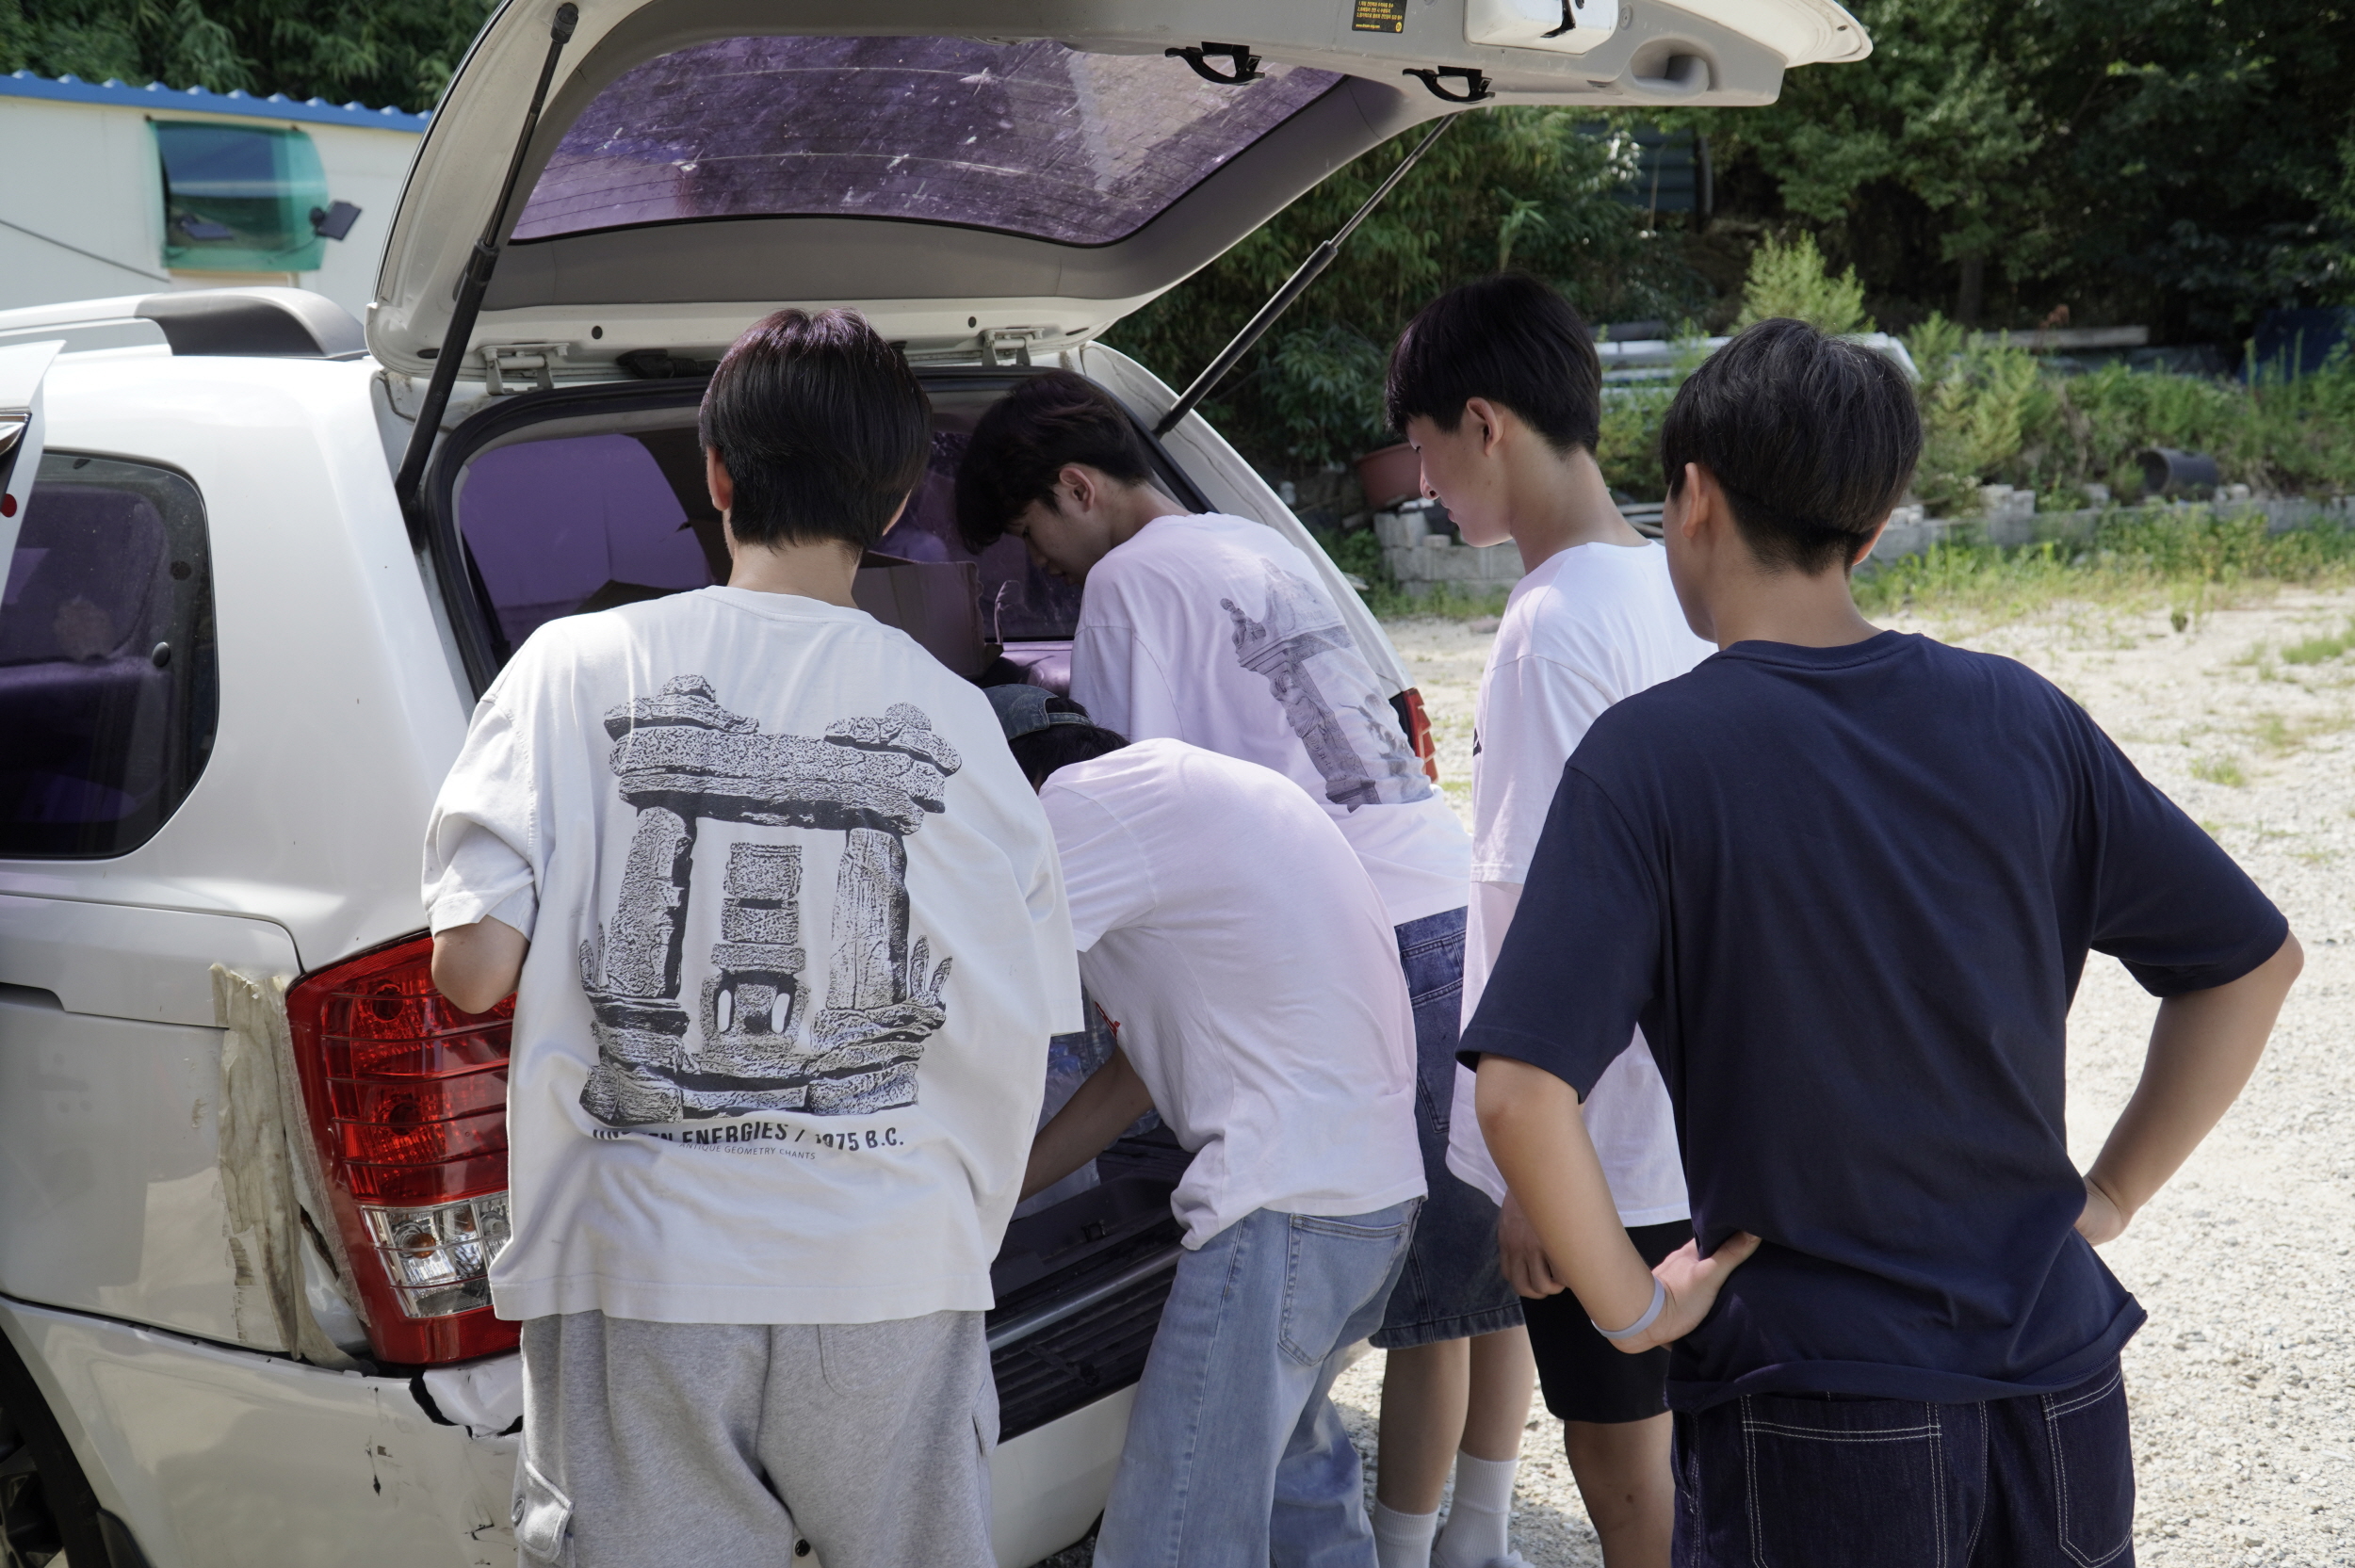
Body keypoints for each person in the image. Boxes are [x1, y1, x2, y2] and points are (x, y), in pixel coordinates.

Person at [1465, 317, 2303, 1563]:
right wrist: (2109, 1195)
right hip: (2060, 1379)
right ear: (1870, 529)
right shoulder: (2020, 715)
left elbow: (1521, 1093)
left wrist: (1634, 1309)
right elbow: (2252, 963)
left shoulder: (1650, 758)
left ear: (1694, 497)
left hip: (1816, 1399)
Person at [422, 309, 1081, 1568]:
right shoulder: (959, 722)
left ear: (716, 477)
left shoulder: (571, 668)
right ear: (897, 503)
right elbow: (1032, 1013)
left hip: (642, 1267)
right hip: (892, 1265)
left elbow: (473, 970)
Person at [957, 375, 1533, 1568]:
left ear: (1077, 487)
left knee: (1392, 1317)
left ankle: (1430, 1544)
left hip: (1355, 945)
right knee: (1443, 1300)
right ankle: (1463, 1537)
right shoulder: (1255, 541)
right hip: (1433, 904)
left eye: (1030, 533)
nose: (1043, 565)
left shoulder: (1125, 586)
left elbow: (1115, 826)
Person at [1387, 273, 1714, 1568]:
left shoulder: (1545, 630)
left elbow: (1550, 920)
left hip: (1603, 1142)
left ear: (1485, 423)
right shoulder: (1669, 584)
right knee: (1695, 1447)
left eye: (1426, 449)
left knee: (1622, 1467)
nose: (1425, 484)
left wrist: (1539, 1165)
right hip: (1691, 1114)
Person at [998, 687, 1426, 1568]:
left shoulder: (1073, 804)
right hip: (1365, 1205)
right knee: (1298, 1497)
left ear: (1010, 787)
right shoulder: (1186, 793)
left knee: (1175, 1535)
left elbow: (964, 985)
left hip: (1282, 1213)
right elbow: (1135, 1077)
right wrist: (997, 1190)